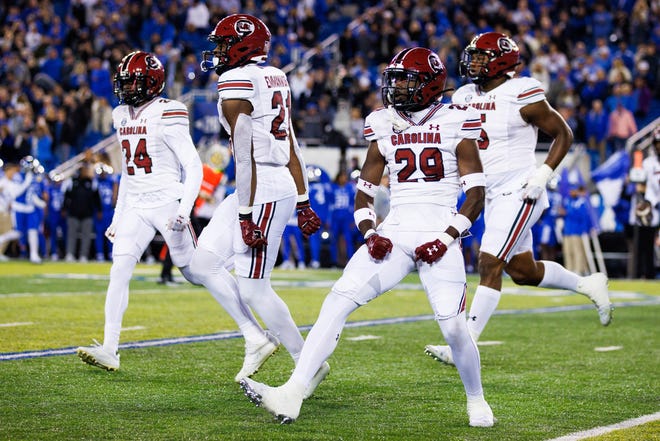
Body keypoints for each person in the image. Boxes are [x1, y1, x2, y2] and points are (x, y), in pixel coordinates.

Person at [240, 47, 495, 427]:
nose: (397, 88)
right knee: (337, 301)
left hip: (440, 230)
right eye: (394, 80)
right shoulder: (383, 122)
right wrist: (369, 232)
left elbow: (475, 194)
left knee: (454, 326)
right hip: (395, 230)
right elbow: (365, 191)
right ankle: (292, 393)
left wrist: (445, 239)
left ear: (430, 84)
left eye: (406, 79)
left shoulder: (457, 121)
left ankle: (477, 400)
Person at [424, 32, 612, 367]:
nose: (474, 62)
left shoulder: (519, 91)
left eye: (481, 57)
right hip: (488, 194)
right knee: (522, 271)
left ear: (500, 61)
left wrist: (542, 175)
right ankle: (587, 283)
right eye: (474, 56)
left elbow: (563, 134)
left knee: (489, 261)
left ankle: (463, 346)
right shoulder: (465, 93)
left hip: (520, 190)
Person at [190, 14, 328, 390]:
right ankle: (255, 337)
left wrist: (249, 213)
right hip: (264, 184)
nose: (217, 52)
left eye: (222, 45)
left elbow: (247, 155)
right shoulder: (274, 75)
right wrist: (303, 200)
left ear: (241, 45)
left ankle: (307, 363)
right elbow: (292, 142)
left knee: (254, 288)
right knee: (199, 263)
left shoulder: (236, 80)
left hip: (262, 187)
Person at [76, 51, 203, 371]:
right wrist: (119, 216)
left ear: (152, 82)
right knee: (118, 269)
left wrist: (185, 210)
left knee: (196, 273)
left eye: (133, 81)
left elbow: (193, 166)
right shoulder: (120, 114)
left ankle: (252, 331)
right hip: (137, 203)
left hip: (168, 200)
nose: (127, 88)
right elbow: (129, 174)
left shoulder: (169, 110)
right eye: (125, 81)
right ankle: (110, 347)